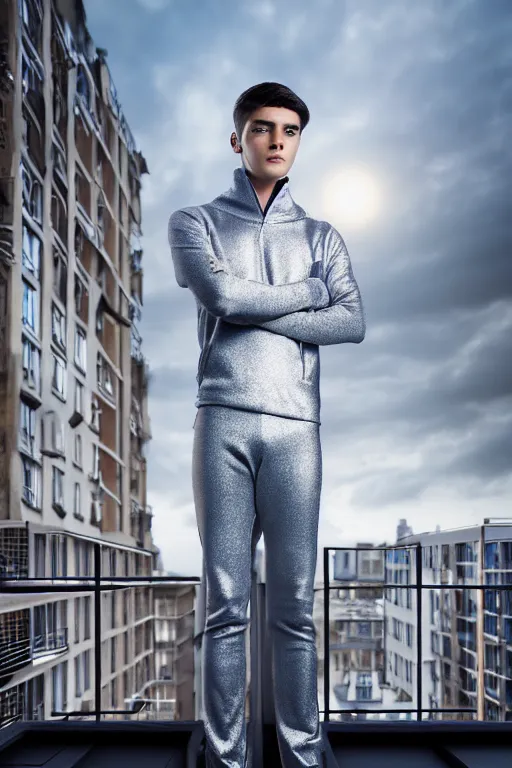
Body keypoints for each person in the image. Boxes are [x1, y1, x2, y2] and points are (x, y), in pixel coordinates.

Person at [168, 82, 366, 768]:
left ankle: (303, 754)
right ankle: (226, 759)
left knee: (295, 609)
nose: (276, 140)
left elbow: (353, 321)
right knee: (224, 604)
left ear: (299, 142)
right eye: (261, 127)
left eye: (289, 130)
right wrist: (309, 293)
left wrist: (265, 306)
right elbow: (220, 294)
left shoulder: (322, 235)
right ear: (237, 138)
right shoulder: (193, 221)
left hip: (295, 430)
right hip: (221, 420)